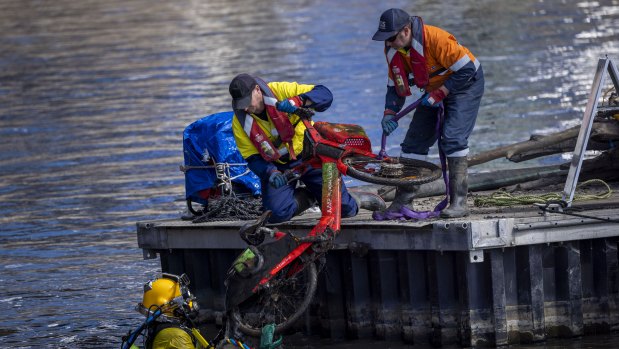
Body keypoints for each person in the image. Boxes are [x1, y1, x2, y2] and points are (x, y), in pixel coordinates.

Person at [372, 8, 485, 218]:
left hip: (465, 84)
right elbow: (395, 86)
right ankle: (403, 202)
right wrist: (390, 112)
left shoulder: (436, 38)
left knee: (453, 139)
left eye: (391, 38)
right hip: (433, 90)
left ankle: (459, 202)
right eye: (385, 39)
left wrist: (441, 92)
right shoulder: (393, 51)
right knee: (413, 144)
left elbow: (467, 69)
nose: (388, 43)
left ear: (406, 31)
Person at [229, 73, 385, 223]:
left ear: (257, 89)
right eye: (240, 105)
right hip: (281, 167)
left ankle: (359, 198)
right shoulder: (240, 123)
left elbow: (325, 94)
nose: (245, 108)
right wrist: (270, 173)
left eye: (247, 102)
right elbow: (252, 158)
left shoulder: (280, 90)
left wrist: (297, 101)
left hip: (311, 158)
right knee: (275, 215)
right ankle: (309, 196)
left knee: (343, 210)